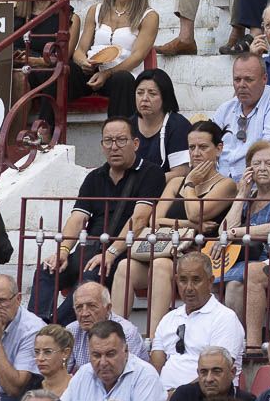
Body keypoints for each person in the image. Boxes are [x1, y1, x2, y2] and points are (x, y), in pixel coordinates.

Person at [27, 116, 166, 325]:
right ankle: (37, 326)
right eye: (108, 141)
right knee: (47, 269)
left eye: (121, 140)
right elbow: (77, 217)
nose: (114, 147)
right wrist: (63, 250)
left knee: (89, 281)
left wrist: (110, 253)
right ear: (102, 145)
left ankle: (52, 330)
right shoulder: (95, 177)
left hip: (121, 251)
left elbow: (139, 219)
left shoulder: (150, 173)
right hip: (89, 249)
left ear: (135, 144)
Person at [215, 140, 270, 332]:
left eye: (269, 164)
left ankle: (240, 338)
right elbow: (223, 230)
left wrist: (235, 233)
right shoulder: (248, 196)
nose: (262, 168)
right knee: (212, 284)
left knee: (234, 285)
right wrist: (242, 193)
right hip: (242, 259)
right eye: (256, 163)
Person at [58, 321, 166, 401]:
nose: (103, 362)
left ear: (126, 351)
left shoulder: (145, 376)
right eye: (96, 355)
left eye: (110, 354)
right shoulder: (82, 375)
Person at [151, 252, 246, 391]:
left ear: (210, 281)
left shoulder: (225, 318)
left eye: (196, 280)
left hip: (207, 399)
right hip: (165, 398)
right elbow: (155, 369)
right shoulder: (168, 319)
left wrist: (178, 397)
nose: (189, 288)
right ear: (176, 280)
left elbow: (217, 374)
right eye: (183, 280)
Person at [210, 53, 270, 182]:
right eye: (237, 80)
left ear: (264, 79)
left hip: (259, 186)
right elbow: (207, 144)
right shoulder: (226, 108)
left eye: (249, 79)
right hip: (220, 186)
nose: (241, 85)